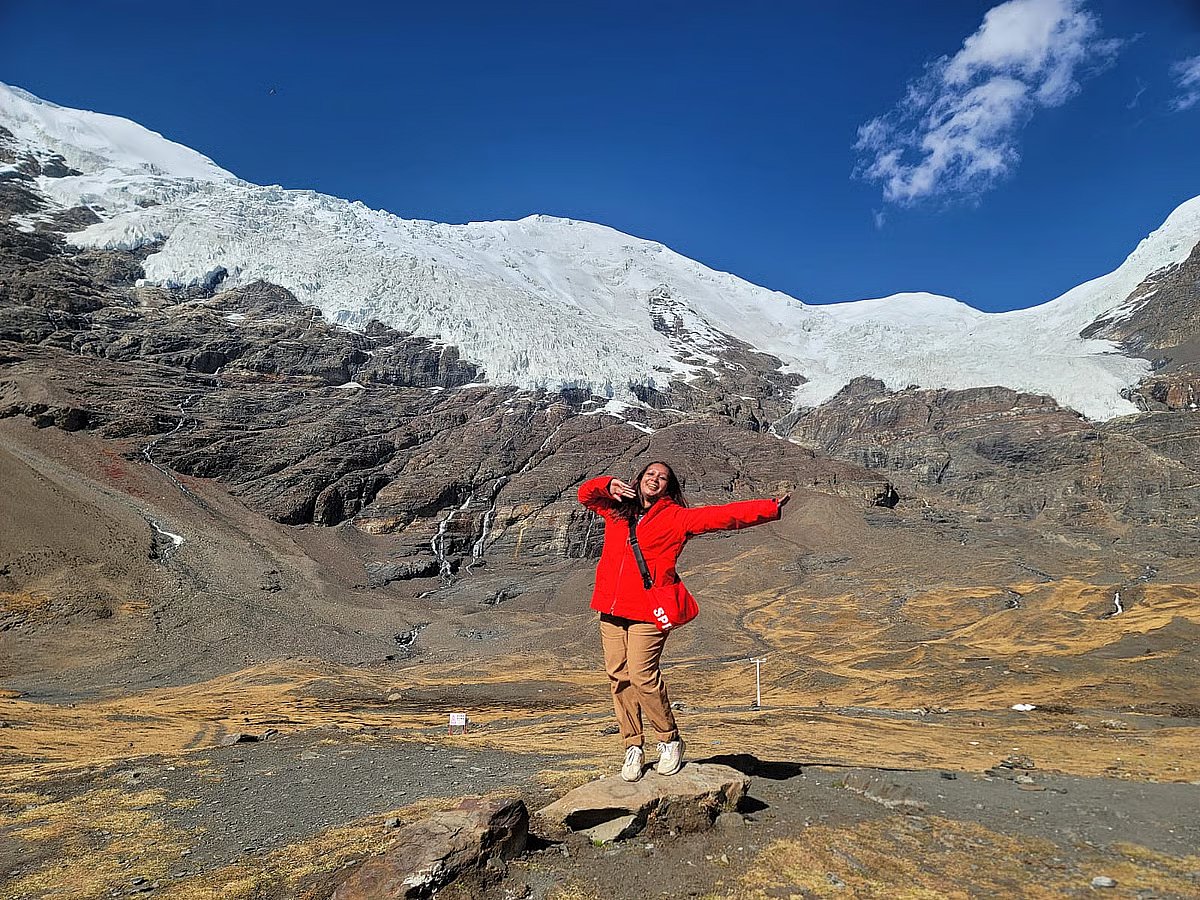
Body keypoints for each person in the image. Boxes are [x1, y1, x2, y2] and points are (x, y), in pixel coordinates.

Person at [577, 461, 789, 782]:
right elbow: (585, 495)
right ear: (639, 478)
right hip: (611, 606)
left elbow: (723, 517)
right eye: (650, 474)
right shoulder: (618, 510)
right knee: (618, 676)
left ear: (669, 486)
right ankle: (633, 746)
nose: (655, 479)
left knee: (642, 675)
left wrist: (768, 507)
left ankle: (669, 740)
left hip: (649, 609)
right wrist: (608, 485)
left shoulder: (677, 517)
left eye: (662, 477)